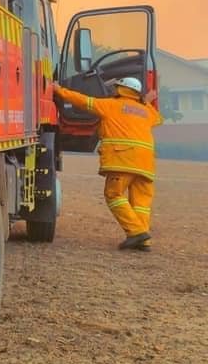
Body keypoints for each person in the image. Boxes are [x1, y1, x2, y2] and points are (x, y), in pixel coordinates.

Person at [53, 77, 162, 251]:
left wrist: (58, 90)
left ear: (122, 90)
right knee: (141, 204)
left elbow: (83, 101)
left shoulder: (110, 105)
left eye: (116, 87)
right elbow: (157, 120)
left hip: (123, 160)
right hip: (146, 164)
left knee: (113, 195)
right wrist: (146, 101)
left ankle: (137, 232)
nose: (113, 90)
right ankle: (143, 241)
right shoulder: (145, 110)